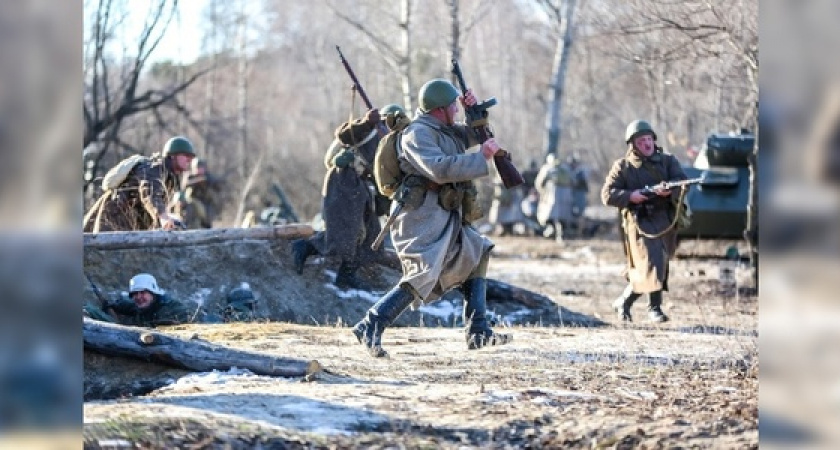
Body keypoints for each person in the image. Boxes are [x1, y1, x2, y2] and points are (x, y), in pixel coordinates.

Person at [351, 78, 512, 358]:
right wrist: (482, 158)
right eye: (454, 106)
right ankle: (371, 324)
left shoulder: (445, 129)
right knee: (422, 272)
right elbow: (439, 169)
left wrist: (476, 114)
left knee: (477, 251)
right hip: (419, 215)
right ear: (439, 109)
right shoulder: (418, 134)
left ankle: (478, 331)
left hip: (442, 212)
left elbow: (479, 135)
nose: (457, 111)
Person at [290, 104, 406, 290]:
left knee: (371, 236)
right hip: (344, 181)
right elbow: (344, 134)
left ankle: (347, 275)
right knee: (346, 232)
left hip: (362, 187)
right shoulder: (369, 131)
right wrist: (368, 122)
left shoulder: (391, 141)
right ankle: (305, 247)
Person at [601, 120, 688, 323]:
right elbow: (607, 195)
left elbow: (682, 182)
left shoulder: (668, 161)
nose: (647, 144)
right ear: (633, 145)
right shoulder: (622, 167)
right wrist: (631, 196)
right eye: (642, 141)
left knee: (658, 264)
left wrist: (669, 191)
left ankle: (624, 301)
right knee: (652, 262)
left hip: (664, 221)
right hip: (638, 222)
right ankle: (654, 308)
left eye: (649, 139)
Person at [83, 136, 196, 232]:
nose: (189, 160)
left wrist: (169, 217)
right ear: (172, 155)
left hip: (127, 225)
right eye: (186, 155)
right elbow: (149, 193)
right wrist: (163, 216)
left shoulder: (170, 177)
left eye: (191, 157)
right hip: (114, 221)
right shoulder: (155, 169)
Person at [96, 273, 192, 327]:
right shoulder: (147, 304)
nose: (138, 297)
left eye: (143, 293)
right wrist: (113, 305)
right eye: (135, 294)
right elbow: (128, 305)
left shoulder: (168, 310)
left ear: (153, 293)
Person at [534, 153, 574, 242]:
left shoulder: (547, 168)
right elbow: (573, 181)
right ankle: (558, 233)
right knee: (560, 216)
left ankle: (555, 232)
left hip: (551, 194)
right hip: (564, 194)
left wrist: (543, 192)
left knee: (549, 215)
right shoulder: (565, 168)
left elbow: (539, 183)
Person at [176, 157, 225, 229]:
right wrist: (198, 181)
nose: (199, 170)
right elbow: (184, 185)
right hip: (191, 202)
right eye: (198, 168)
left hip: (205, 204)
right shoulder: (190, 176)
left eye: (201, 168)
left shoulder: (208, 177)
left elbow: (218, 187)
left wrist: (208, 182)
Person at [568, 153, 590, 237]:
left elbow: (582, 185)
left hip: (579, 194)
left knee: (580, 214)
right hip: (572, 195)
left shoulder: (580, 172)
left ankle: (580, 232)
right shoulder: (570, 171)